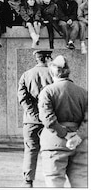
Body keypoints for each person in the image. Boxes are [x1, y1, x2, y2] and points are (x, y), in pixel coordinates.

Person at [38, 55, 88, 188]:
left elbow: (47, 119)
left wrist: (64, 134)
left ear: (51, 73)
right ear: (68, 72)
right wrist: (78, 137)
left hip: (54, 144)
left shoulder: (47, 92)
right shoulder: (84, 93)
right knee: (81, 183)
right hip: (80, 144)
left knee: (54, 183)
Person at [17, 50, 53, 188]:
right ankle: (52, 179)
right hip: (50, 120)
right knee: (51, 151)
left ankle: (28, 181)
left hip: (31, 120)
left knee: (30, 150)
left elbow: (23, 98)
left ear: (37, 59)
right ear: (48, 57)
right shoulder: (55, 74)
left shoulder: (26, 74)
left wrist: (34, 114)